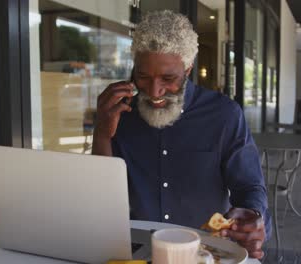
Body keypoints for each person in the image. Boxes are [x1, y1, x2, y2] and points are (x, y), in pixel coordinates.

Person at [92, 10, 270, 259]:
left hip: (203, 252)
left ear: (187, 69)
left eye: (168, 78)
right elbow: (102, 193)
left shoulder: (223, 115)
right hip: (132, 252)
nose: (154, 90)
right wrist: (102, 132)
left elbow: (249, 185)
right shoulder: (119, 112)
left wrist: (254, 215)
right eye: (143, 76)